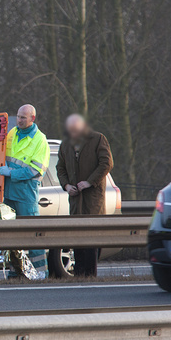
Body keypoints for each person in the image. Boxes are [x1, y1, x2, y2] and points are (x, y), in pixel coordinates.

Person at [56, 114, 114, 277]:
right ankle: (79, 276)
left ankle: (90, 276)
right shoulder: (65, 144)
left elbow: (107, 163)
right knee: (77, 238)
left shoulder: (98, 139)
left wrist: (89, 182)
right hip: (75, 202)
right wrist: (66, 185)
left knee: (92, 240)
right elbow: (60, 168)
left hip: (92, 201)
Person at [0, 104, 50, 277]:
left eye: (23, 117)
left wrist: (11, 173)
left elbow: (35, 170)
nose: (19, 120)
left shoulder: (40, 140)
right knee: (12, 236)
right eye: (18, 116)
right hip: (8, 192)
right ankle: (15, 273)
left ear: (32, 118)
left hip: (26, 194)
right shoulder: (12, 133)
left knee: (33, 234)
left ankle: (41, 274)